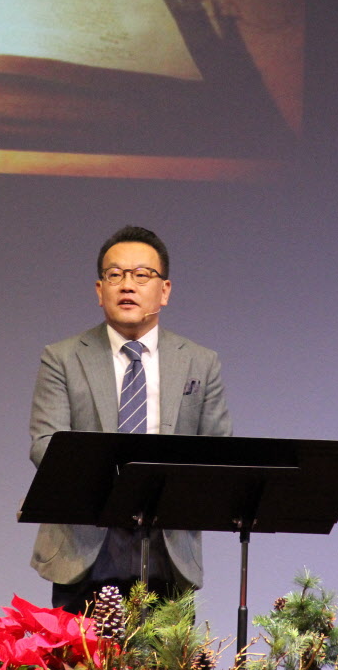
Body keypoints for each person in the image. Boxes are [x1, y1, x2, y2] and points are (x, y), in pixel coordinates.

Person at [28, 225, 233, 613]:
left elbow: (218, 452)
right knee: (81, 655)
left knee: (165, 655)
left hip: (169, 547)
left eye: (141, 275)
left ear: (164, 291)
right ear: (99, 290)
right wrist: (122, 488)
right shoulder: (63, 358)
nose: (127, 286)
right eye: (115, 275)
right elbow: (46, 447)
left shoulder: (200, 362)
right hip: (84, 544)